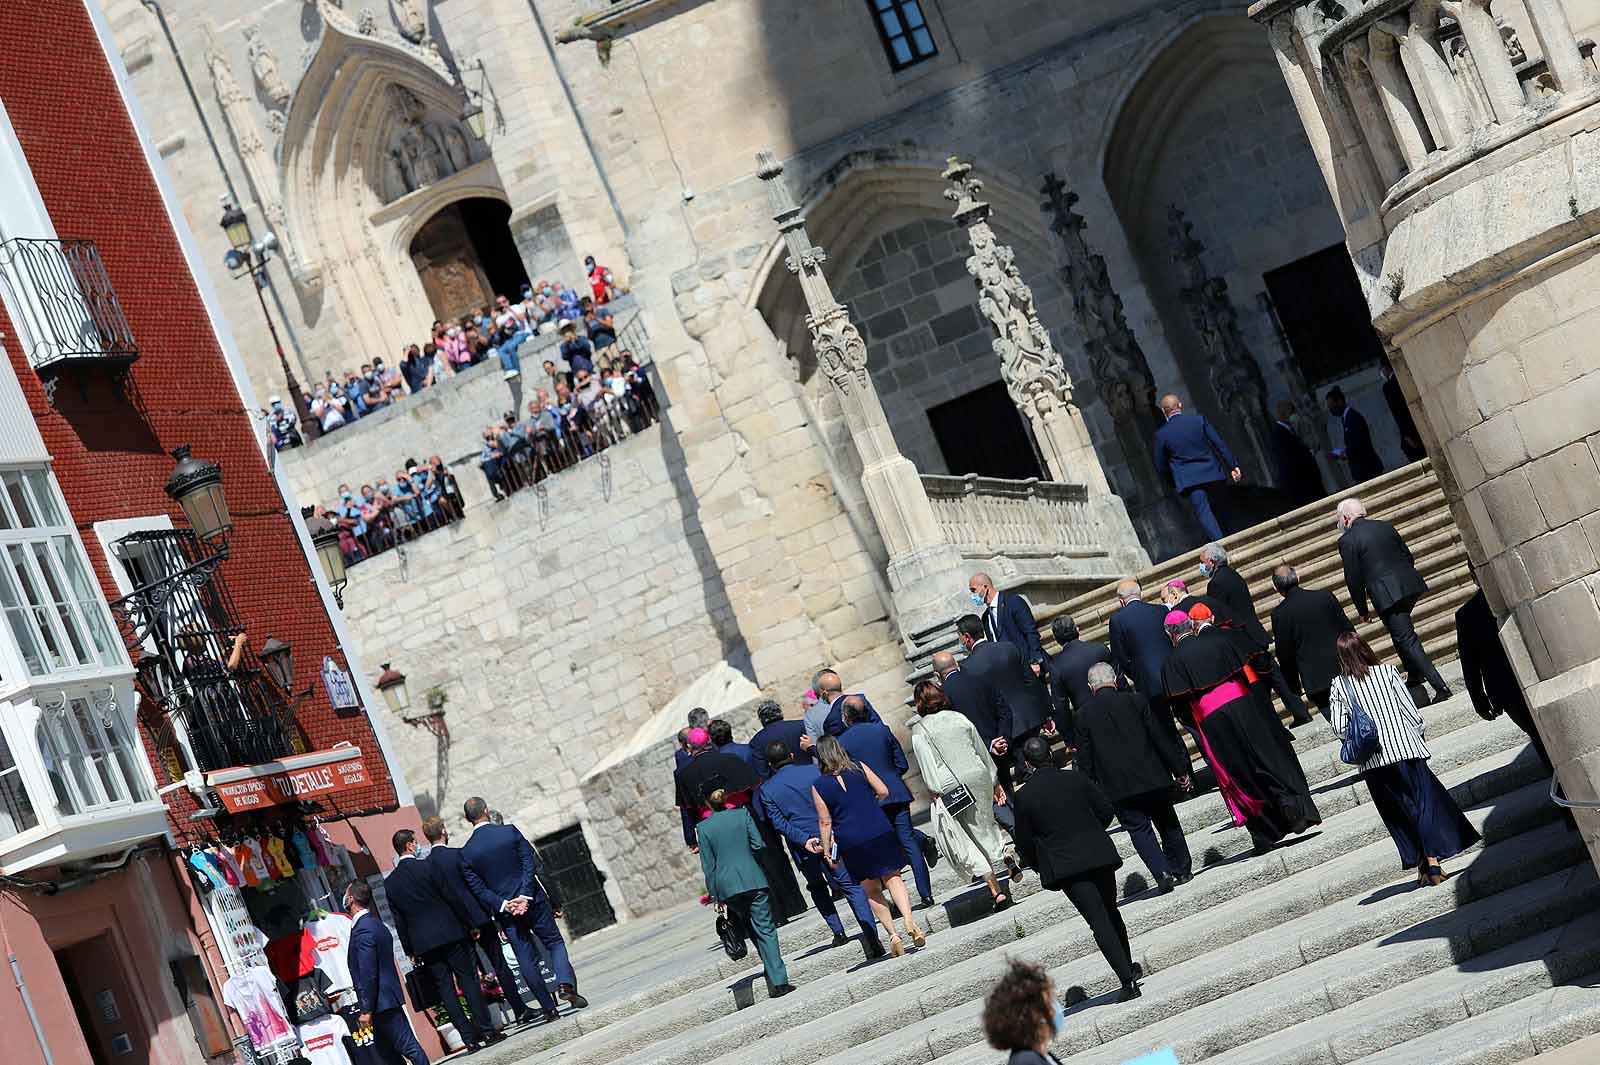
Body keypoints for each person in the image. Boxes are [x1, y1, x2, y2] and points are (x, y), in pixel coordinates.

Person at [1163, 611, 1322, 854]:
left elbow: (1181, 709)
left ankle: (1265, 831)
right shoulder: (1219, 640)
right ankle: (1288, 803)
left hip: (1212, 719)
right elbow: (1245, 675)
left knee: (1240, 771)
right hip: (1244, 705)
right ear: (1191, 626)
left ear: (1169, 635)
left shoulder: (1171, 663)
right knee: (1264, 756)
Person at [1328, 631, 1480, 884]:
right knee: (1423, 804)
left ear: (1341, 658)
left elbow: (1340, 728)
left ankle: (1422, 863)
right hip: (1405, 750)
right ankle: (1432, 860)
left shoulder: (1339, 685)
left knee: (1399, 812)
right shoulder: (1388, 672)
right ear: (1365, 649)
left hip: (1374, 761)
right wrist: (1417, 736)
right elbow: (1410, 712)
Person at [1011, 737, 1140, 1000]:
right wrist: (1092, 832)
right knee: (1111, 911)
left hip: (1066, 865)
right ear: (1050, 754)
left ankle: (1127, 979)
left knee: (1098, 919)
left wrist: (1038, 864)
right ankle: (1128, 967)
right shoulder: (1076, 778)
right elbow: (1105, 810)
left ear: (1027, 763)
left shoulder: (1024, 796)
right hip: (1098, 854)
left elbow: (1023, 840)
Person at [1455, 585, 1575, 831]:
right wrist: (1479, 699)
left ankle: (1570, 809)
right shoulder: (1508, 599)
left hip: (1508, 693)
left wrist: (1480, 700)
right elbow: (1470, 661)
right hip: (1531, 680)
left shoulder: (1468, 613)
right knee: (1554, 741)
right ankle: (1572, 802)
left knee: (1543, 745)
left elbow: (1470, 664)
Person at [458, 796, 580, 1023]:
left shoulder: (466, 853)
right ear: (486, 810)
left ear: (467, 819)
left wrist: (504, 904)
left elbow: (478, 890)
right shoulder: (509, 832)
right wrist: (524, 895)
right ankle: (564, 983)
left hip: (507, 913)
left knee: (525, 958)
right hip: (533, 901)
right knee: (554, 943)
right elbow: (529, 864)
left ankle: (548, 1009)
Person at [1073, 663, 1193, 892]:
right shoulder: (1136, 700)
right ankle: (1182, 869)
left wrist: (1090, 792)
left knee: (1139, 830)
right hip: (1154, 776)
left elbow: (1085, 760)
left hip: (1117, 786)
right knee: (1167, 822)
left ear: (1091, 687)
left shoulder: (1082, 716)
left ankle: (1162, 872)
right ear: (1116, 680)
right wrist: (1179, 771)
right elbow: (1159, 738)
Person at [760, 740, 884, 957]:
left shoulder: (767, 790)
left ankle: (838, 931)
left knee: (817, 887)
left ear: (770, 765)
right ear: (791, 754)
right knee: (850, 885)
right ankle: (870, 932)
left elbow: (778, 822)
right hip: (832, 837)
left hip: (803, 847)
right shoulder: (813, 770)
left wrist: (805, 839)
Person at [383, 830, 502, 1051]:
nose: (418, 845)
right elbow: (451, 896)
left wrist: (409, 948)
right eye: (415, 842)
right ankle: (487, 1030)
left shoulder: (391, 883)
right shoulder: (429, 867)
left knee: (445, 989)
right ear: (409, 846)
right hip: (452, 933)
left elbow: (398, 920)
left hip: (424, 943)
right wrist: (470, 924)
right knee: (468, 981)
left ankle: (468, 1039)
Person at [811, 735, 926, 957]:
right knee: (893, 877)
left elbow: (825, 821)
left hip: (851, 839)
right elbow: (883, 790)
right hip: (877, 828)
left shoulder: (818, 786)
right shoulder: (859, 768)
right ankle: (910, 921)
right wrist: (869, 802)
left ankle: (893, 934)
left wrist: (826, 850)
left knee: (871, 888)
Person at [420, 816, 536, 1028]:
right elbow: (477, 887)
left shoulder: (426, 866)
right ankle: (520, 1009)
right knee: (499, 964)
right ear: (444, 831)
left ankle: (485, 1024)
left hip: (454, 925)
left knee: (469, 976)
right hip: (479, 916)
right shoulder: (459, 855)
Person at [1337, 497, 1451, 705]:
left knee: (1406, 638)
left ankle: (1440, 686)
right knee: (1399, 634)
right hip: (1409, 585)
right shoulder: (1384, 526)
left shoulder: (1347, 540)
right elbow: (1407, 556)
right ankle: (1415, 675)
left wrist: (1362, 609)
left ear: (1345, 518)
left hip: (1387, 595)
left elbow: (1353, 578)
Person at [910, 679, 1012, 910]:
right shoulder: (959, 718)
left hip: (951, 785)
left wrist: (935, 790)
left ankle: (996, 891)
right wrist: (994, 780)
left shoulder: (920, 730)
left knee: (968, 837)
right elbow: (981, 750)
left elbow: (928, 768)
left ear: (920, 703)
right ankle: (1004, 853)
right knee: (986, 822)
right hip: (979, 774)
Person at [697, 782, 797, 997]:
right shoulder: (742, 815)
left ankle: (770, 968)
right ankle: (779, 980)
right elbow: (759, 845)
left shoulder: (703, 828)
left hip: (726, 886)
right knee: (765, 928)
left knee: (751, 928)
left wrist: (715, 895)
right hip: (752, 877)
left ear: (707, 802)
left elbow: (708, 865)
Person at [1200, 542, 1312, 725]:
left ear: (1212, 562)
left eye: (1203, 562)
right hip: (1255, 635)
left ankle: (1276, 724)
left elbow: (1220, 613)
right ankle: (1300, 711)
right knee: (1276, 678)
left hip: (1242, 640)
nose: (1202, 566)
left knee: (1258, 687)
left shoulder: (1216, 583)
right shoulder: (1233, 575)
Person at [838, 700, 935, 909]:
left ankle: (893, 902)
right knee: (908, 842)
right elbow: (901, 763)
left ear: (847, 717)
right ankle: (926, 894)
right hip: (896, 794)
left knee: (882, 848)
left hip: (871, 802)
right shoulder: (881, 730)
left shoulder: (842, 742)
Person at [954, 613, 1054, 796]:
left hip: (1006, 728)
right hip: (1030, 718)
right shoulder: (1008, 647)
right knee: (1044, 765)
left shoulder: (968, 666)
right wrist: (1046, 713)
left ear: (966, 637)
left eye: (960, 637)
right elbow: (1031, 681)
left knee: (1027, 775)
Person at [344, 880, 429, 1065]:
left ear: (351, 899)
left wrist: (366, 1010)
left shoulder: (364, 929)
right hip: (383, 1000)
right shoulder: (374, 924)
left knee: (407, 1046)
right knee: (389, 1054)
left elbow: (368, 972)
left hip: (381, 1003)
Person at [1152, 393, 1240, 541]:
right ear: (1180, 405)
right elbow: (1218, 443)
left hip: (1190, 481)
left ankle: (1220, 543)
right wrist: (1233, 465)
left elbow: (1161, 465)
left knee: (1204, 513)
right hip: (1212, 473)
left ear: (1163, 411)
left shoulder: (1162, 435)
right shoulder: (1198, 421)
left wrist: (1173, 482)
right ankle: (1234, 538)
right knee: (1223, 507)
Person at [1270, 563, 1354, 719]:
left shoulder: (1279, 615)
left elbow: (1285, 655)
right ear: (1298, 578)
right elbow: (1348, 630)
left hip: (1317, 682)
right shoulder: (1324, 596)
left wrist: (1294, 686)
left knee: (1342, 728)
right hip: (1345, 669)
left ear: (1276, 588)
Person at [981, 959, 1070, 1064]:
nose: (1053, 1009)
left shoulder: (1040, 1055)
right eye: (1048, 1003)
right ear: (1033, 1015)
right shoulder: (1026, 1060)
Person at [1042, 615, 1112, 745]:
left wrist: (1070, 738)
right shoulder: (1100, 648)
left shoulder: (1057, 667)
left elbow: (1061, 707)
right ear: (1077, 630)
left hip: (1090, 723)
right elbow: (1120, 679)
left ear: (1056, 639)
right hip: (1116, 709)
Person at [969, 571, 1046, 672]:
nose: (972, 595)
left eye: (973, 590)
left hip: (1030, 667)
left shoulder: (1013, 602)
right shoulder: (986, 617)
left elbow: (1031, 632)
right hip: (1011, 672)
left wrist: (1035, 661)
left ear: (985, 587)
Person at [1269, 399, 1325, 508]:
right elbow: (1290, 460)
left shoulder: (1289, 430)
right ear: (1283, 413)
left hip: (1308, 483)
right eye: (1291, 411)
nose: (1294, 415)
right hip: (1301, 486)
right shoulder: (1279, 433)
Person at [1326, 387, 1384, 484]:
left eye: (1331, 405)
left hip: (1368, 469)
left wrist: (1344, 453)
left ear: (1339, 401)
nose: (1330, 409)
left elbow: (1359, 444)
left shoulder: (1353, 417)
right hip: (1363, 471)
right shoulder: (1346, 418)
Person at [749, 699, 812, 779]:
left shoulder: (756, 741)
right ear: (780, 713)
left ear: (761, 719)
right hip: (810, 774)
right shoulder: (802, 725)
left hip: (782, 784)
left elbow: (762, 771)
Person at [1380, 361, 1427, 463]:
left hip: (1410, 433)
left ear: (1386, 368)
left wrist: (1406, 435)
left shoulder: (1388, 387)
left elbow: (1398, 413)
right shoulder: (1407, 376)